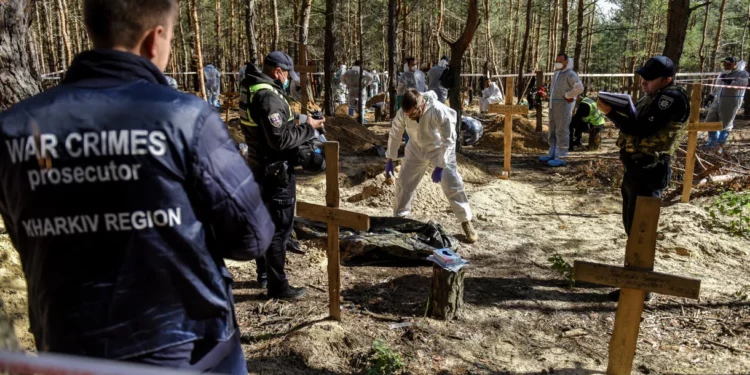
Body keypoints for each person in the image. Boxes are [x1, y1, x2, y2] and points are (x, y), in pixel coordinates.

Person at [0, 0, 274, 372]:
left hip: (68, 350)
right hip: (190, 351)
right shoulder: (186, 119)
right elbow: (252, 237)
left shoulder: (13, 129)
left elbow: (27, 234)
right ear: (154, 38)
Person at [597, 56, 689, 302]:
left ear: (666, 80)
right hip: (636, 169)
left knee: (641, 229)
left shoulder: (672, 99)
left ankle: (640, 286)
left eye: (649, 79)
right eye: (642, 77)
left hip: (650, 169)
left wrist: (610, 113)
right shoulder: (653, 96)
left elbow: (640, 129)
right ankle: (634, 279)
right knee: (632, 225)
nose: (643, 82)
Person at [239, 51, 327, 300]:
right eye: (288, 74)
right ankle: (278, 287)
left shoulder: (253, 88)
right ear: (278, 71)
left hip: (258, 167)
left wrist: (303, 120)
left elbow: (273, 124)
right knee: (278, 230)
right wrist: (309, 128)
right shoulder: (267, 96)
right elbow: (279, 139)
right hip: (275, 172)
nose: (289, 79)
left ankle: (264, 276)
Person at [385, 89, 478, 243]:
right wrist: (390, 158)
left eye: (412, 114)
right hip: (415, 148)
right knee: (404, 183)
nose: (409, 117)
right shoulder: (404, 112)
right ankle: (399, 220)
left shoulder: (437, 111)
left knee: (452, 183)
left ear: (421, 106)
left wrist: (441, 166)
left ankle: (466, 221)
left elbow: (449, 140)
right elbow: (395, 133)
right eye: (407, 114)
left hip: (439, 148)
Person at [540, 53, 583, 167]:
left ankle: (561, 156)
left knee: (562, 130)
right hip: (553, 105)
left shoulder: (570, 74)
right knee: (552, 129)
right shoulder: (557, 73)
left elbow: (579, 88)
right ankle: (552, 153)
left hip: (563, 105)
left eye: (560, 61)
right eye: (556, 60)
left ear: (566, 62)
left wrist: (568, 95)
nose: (557, 63)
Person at [705, 57, 749, 150]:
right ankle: (712, 142)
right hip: (718, 99)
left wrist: (730, 81)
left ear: (735, 64)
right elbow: (717, 86)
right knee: (710, 120)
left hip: (731, 101)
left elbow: (742, 85)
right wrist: (711, 95)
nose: (726, 66)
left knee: (725, 124)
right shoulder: (723, 73)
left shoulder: (742, 73)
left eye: (728, 64)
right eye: (725, 64)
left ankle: (720, 145)